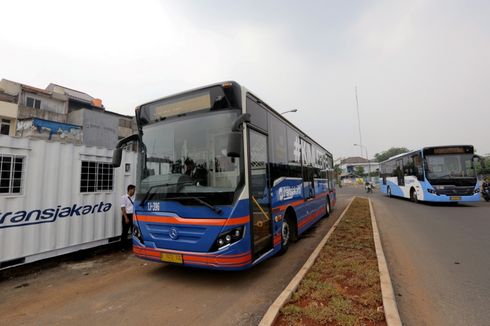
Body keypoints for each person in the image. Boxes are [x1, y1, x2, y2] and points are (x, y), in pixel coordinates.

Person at [120, 184, 136, 250]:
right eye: (133, 190)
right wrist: (126, 217)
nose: (134, 191)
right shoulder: (124, 197)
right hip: (126, 215)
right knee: (125, 232)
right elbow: (122, 208)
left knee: (134, 231)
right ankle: (123, 247)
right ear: (130, 190)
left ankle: (134, 246)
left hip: (133, 216)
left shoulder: (134, 198)